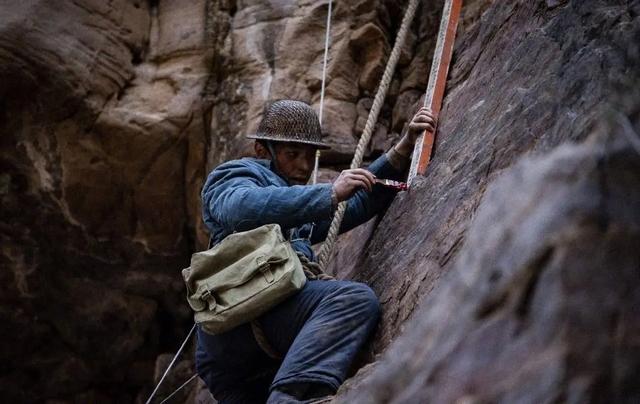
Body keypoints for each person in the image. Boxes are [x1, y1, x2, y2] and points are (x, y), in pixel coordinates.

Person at [195, 100, 436, 403]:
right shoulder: (236, 175)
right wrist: (329, 191)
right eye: (292, 154)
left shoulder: (298, 208)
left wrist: (400, 152)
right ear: (261, 150)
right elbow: (240, 207)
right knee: (352, 300)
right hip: (246, 316)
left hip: (237, 355)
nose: (304, 166)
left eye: (310, 155)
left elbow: (356, 205)